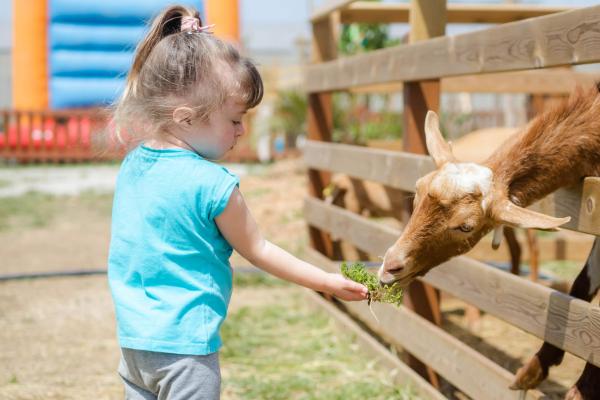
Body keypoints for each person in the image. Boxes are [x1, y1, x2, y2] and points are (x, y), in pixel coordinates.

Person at [107, 5, 368, 400]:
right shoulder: (214, 185)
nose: (242, 130)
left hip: (135, 345)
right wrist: (327, 282)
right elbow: (259, 250)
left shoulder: (134, 165)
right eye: (234, 120)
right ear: (186, 117)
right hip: (186, 354)